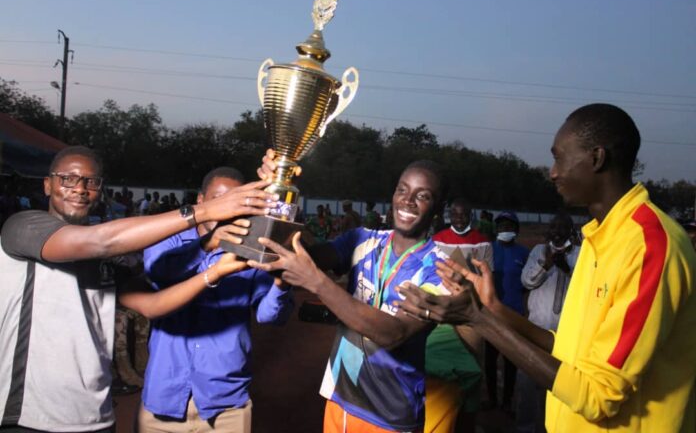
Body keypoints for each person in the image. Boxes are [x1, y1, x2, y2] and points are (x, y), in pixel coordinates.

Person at [398, 103, 696, 433]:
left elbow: (598, 394)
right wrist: (491, 308)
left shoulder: (648, 245)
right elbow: (566, 349)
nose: (553, 172)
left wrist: (477, 319)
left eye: (559, 158)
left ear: (597, 158)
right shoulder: (599, 239)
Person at [0, 146, 277, 432]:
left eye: (91, 181)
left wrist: (214, 271)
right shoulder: (22, 228)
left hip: (93, 416)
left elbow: (154, 305)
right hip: (30, 415)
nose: (80, 188)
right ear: (48, 185)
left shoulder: (106, 263)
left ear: (100, 190)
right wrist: (206, 211)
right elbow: (99, 241)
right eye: (67, 178)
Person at [254, 151, 448, 433]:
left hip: (390, 413)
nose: (407, 200)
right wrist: (279, 197)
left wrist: (317, 282)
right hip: (340, 399)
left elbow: (395, 334)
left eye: (422, 196)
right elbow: (296, 258)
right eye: (402, 190)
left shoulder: (440, 269)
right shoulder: (362, 239)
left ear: (438, 208)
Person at [138, 167, 294, 432]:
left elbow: (270, 316)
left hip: (226, 404)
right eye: (218, 199)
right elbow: (159, 275)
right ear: (201, 200)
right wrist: (207, 243)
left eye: (235, 201)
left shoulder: (252, 248)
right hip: (163, 397)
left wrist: (281, 282)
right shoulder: (166, 238)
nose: (226, 209)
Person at [426, 198, 492, 433]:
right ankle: (446, 415)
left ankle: (467, 417)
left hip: (473, 311)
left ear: (470, 214)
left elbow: (488, 278)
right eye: (455, 215)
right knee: (443, 364)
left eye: (463, 215)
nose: (459, 219)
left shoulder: (483, 241)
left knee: (473, 365)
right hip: (444, 310)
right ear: (449, 215)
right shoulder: (437, 239)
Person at [516, 211, 580, 433]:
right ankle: (525, 428)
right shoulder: (538, 251)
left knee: (559, 386)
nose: (557, 232)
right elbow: (526, 281)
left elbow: (584, 288)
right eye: (554, 227)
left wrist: (566, 269)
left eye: (562, 227)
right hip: (537, 327)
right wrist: (546, 264)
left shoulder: (580, 254)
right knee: (527, 382)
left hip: (565, 334)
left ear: (570, 231)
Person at [486, 210, 529, 410]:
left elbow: (528, 283)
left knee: (511, 360)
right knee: (490, 359)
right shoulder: (488, 249)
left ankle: (507, 402)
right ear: (496, 229)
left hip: (514, 314)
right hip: (491, 314)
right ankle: (492, 400)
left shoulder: (524, 253)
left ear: (516, 230)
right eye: (502, 226)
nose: (505, 229)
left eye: (509, 226)